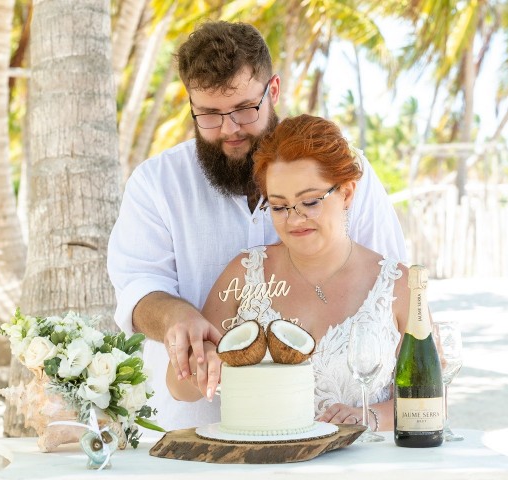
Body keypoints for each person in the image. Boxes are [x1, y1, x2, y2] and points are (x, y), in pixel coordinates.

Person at [107, 21, 407, 431]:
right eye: (209, 115)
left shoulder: (349, 172)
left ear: (274, 91)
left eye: (245, 109)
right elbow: (137, 286)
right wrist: (178, 318)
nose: (229, 129)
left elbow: (383, 284)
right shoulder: (156, 183)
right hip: (193, 431)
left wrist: (375, 415)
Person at [166, 114, 411, 430]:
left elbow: (433, 399)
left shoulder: (398, 285)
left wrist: (371, 417)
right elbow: (178, 386)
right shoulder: (244, 274)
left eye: (309, 202)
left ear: (347, 193)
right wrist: (201, 365)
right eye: (279, 207)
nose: (295, 219)